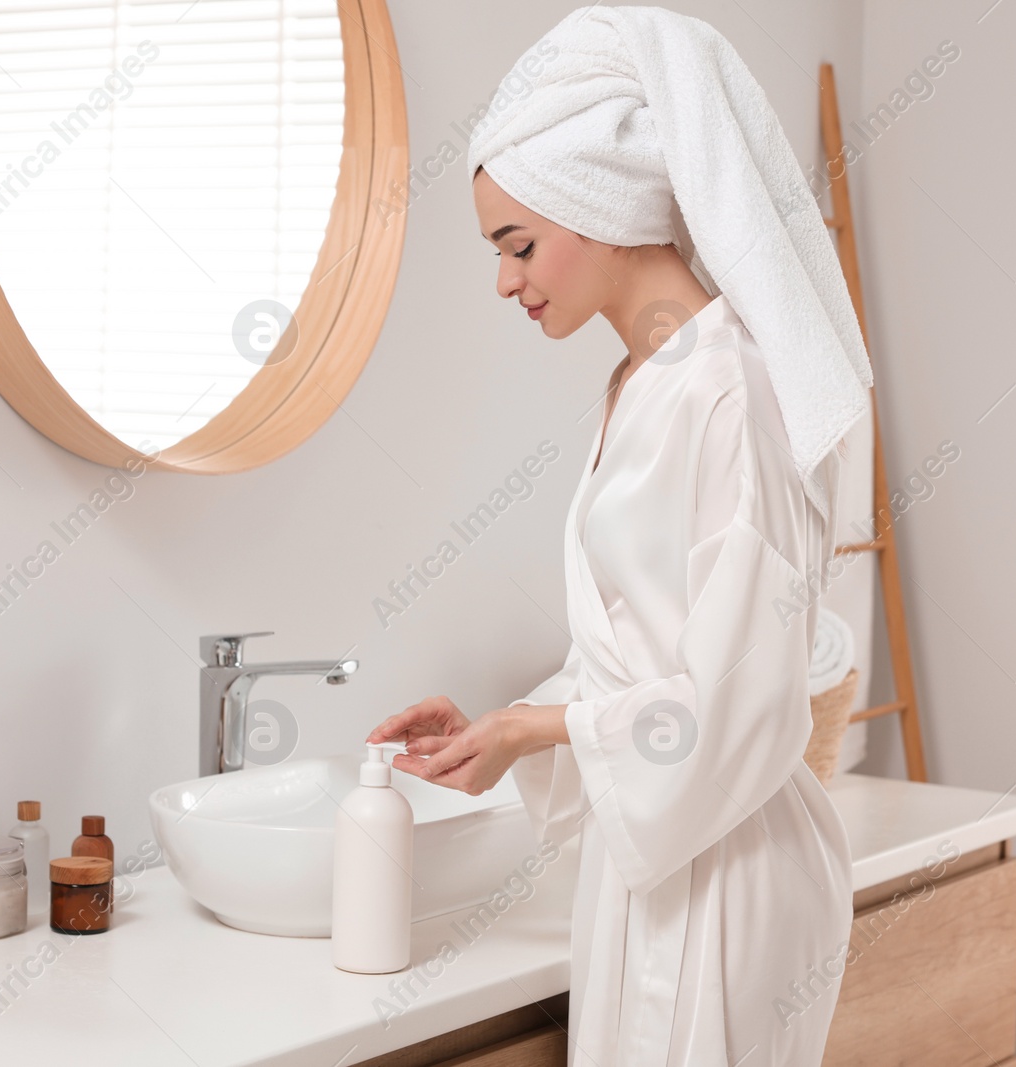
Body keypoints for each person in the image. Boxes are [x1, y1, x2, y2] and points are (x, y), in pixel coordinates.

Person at [366, 7, 874, 1064]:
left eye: (517, 244)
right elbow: (639, 659)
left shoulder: (728, 388)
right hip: (654, 858)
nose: (505, 278)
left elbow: (742, 701)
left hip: (733, 873)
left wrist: (532, 730)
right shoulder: (642, 380)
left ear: (593, 208)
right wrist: (500, 727)